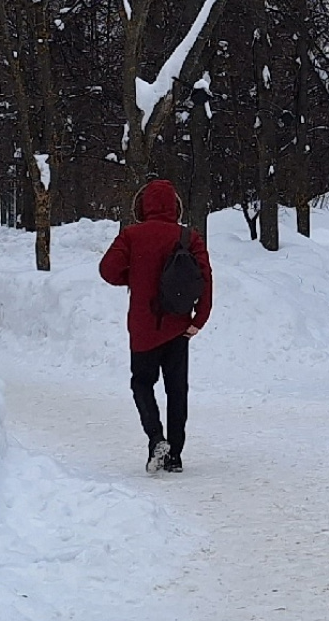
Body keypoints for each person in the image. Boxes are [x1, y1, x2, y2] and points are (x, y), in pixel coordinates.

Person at [99, 180, 213, 473]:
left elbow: (107, 270)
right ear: (175, 206)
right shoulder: (189, 237)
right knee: (177, 390)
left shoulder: (132, 235)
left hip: (143, 326)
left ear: (143, 206)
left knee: (142, 383)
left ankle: (155, 439)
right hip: (178, 326)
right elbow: (205, 280)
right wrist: (198, 320)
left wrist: (134, 276)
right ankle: (175, 455)